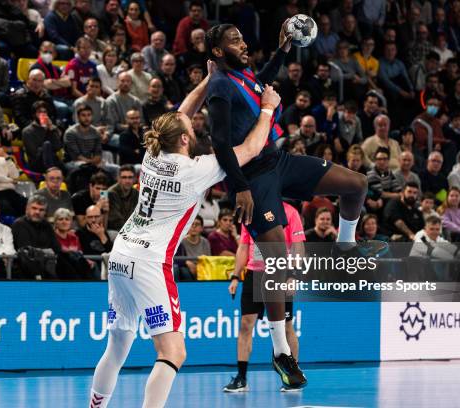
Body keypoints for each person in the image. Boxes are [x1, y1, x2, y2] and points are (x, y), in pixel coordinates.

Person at [89, 61, 278, 408]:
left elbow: (178, 115)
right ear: (187, 139)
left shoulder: (152, 154)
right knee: (173, 352)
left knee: (117, 346)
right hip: (149, 261)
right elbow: (250, 149)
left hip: (120, 255)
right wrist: (267, 108)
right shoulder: (196, 170)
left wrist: (209, 79)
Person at [206, 21, 384, 386]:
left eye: (241, 37)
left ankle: (346, 245)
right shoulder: (220, 86)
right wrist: (239, 187)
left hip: (279, 161)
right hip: (252, 180)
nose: (243, 44)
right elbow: (220, 142)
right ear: (218, 52)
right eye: (234, 41)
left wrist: (284, 47)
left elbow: (263, 80)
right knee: (276, 261)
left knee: (356, 184)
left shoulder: (243, 75)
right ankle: (280, 353)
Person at [225, 201, 304, 392]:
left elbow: (298, 246)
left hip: (280, 273)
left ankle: (292, 376)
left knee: (286, 326)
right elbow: (244, 246)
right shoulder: (250, 211)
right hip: (254, 274)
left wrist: (293, 275)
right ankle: (241, 378)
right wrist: (236, 276)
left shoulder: (290, 212)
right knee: (245, 325)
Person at [22, 101, 64, 173]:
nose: (43, 114)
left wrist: (50, 129)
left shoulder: (52, 128)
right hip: (37, 163)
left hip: (53, 160)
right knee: (47, 145)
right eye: (39, 112)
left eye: (45, 112)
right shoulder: (27, 131)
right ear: (34, 114)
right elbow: (34, 153)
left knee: (71, 170)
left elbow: (58, 146)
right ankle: (51, 172)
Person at [106, 164, 139, 231]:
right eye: (124, 177)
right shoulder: (111, 193)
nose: (127, 181)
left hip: (131, 229)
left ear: (134, 179)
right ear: (118, 179)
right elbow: (115, 220)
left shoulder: (136, 193)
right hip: (115, 230)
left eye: (130, 177)